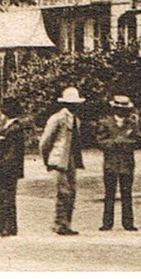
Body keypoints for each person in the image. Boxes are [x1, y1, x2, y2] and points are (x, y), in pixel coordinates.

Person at [39, 86, 86, 236]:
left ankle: (67, 223)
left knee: (72, 191)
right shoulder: (57, 118)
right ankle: (59, 224)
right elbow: (45, 142)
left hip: (71, 158)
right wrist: (48, 160)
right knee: (63, 192)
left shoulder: (76, 120)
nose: (74, 106)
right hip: (58, 159)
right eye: (71, 103)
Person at [96, 95, 141, 231]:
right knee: (109, 194)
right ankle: (107, 223)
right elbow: (99, 141)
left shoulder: (132, 124)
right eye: (119, 109)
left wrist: (125, 143)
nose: (122, 112)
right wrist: (114, 143)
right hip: (111, 163)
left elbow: (138, 141)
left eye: (125, 109)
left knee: (127, 193)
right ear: (114, 109)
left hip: (127, 163)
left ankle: (128, 222)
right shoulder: (105, 123)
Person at [0, 97, 26, 237]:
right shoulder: (7, 127)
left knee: (8, 197)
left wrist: (0, 164)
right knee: (0, 196)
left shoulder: (15, 128)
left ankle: (9, 227)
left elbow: (12, 153)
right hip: (2, 168)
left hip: (9, 168)